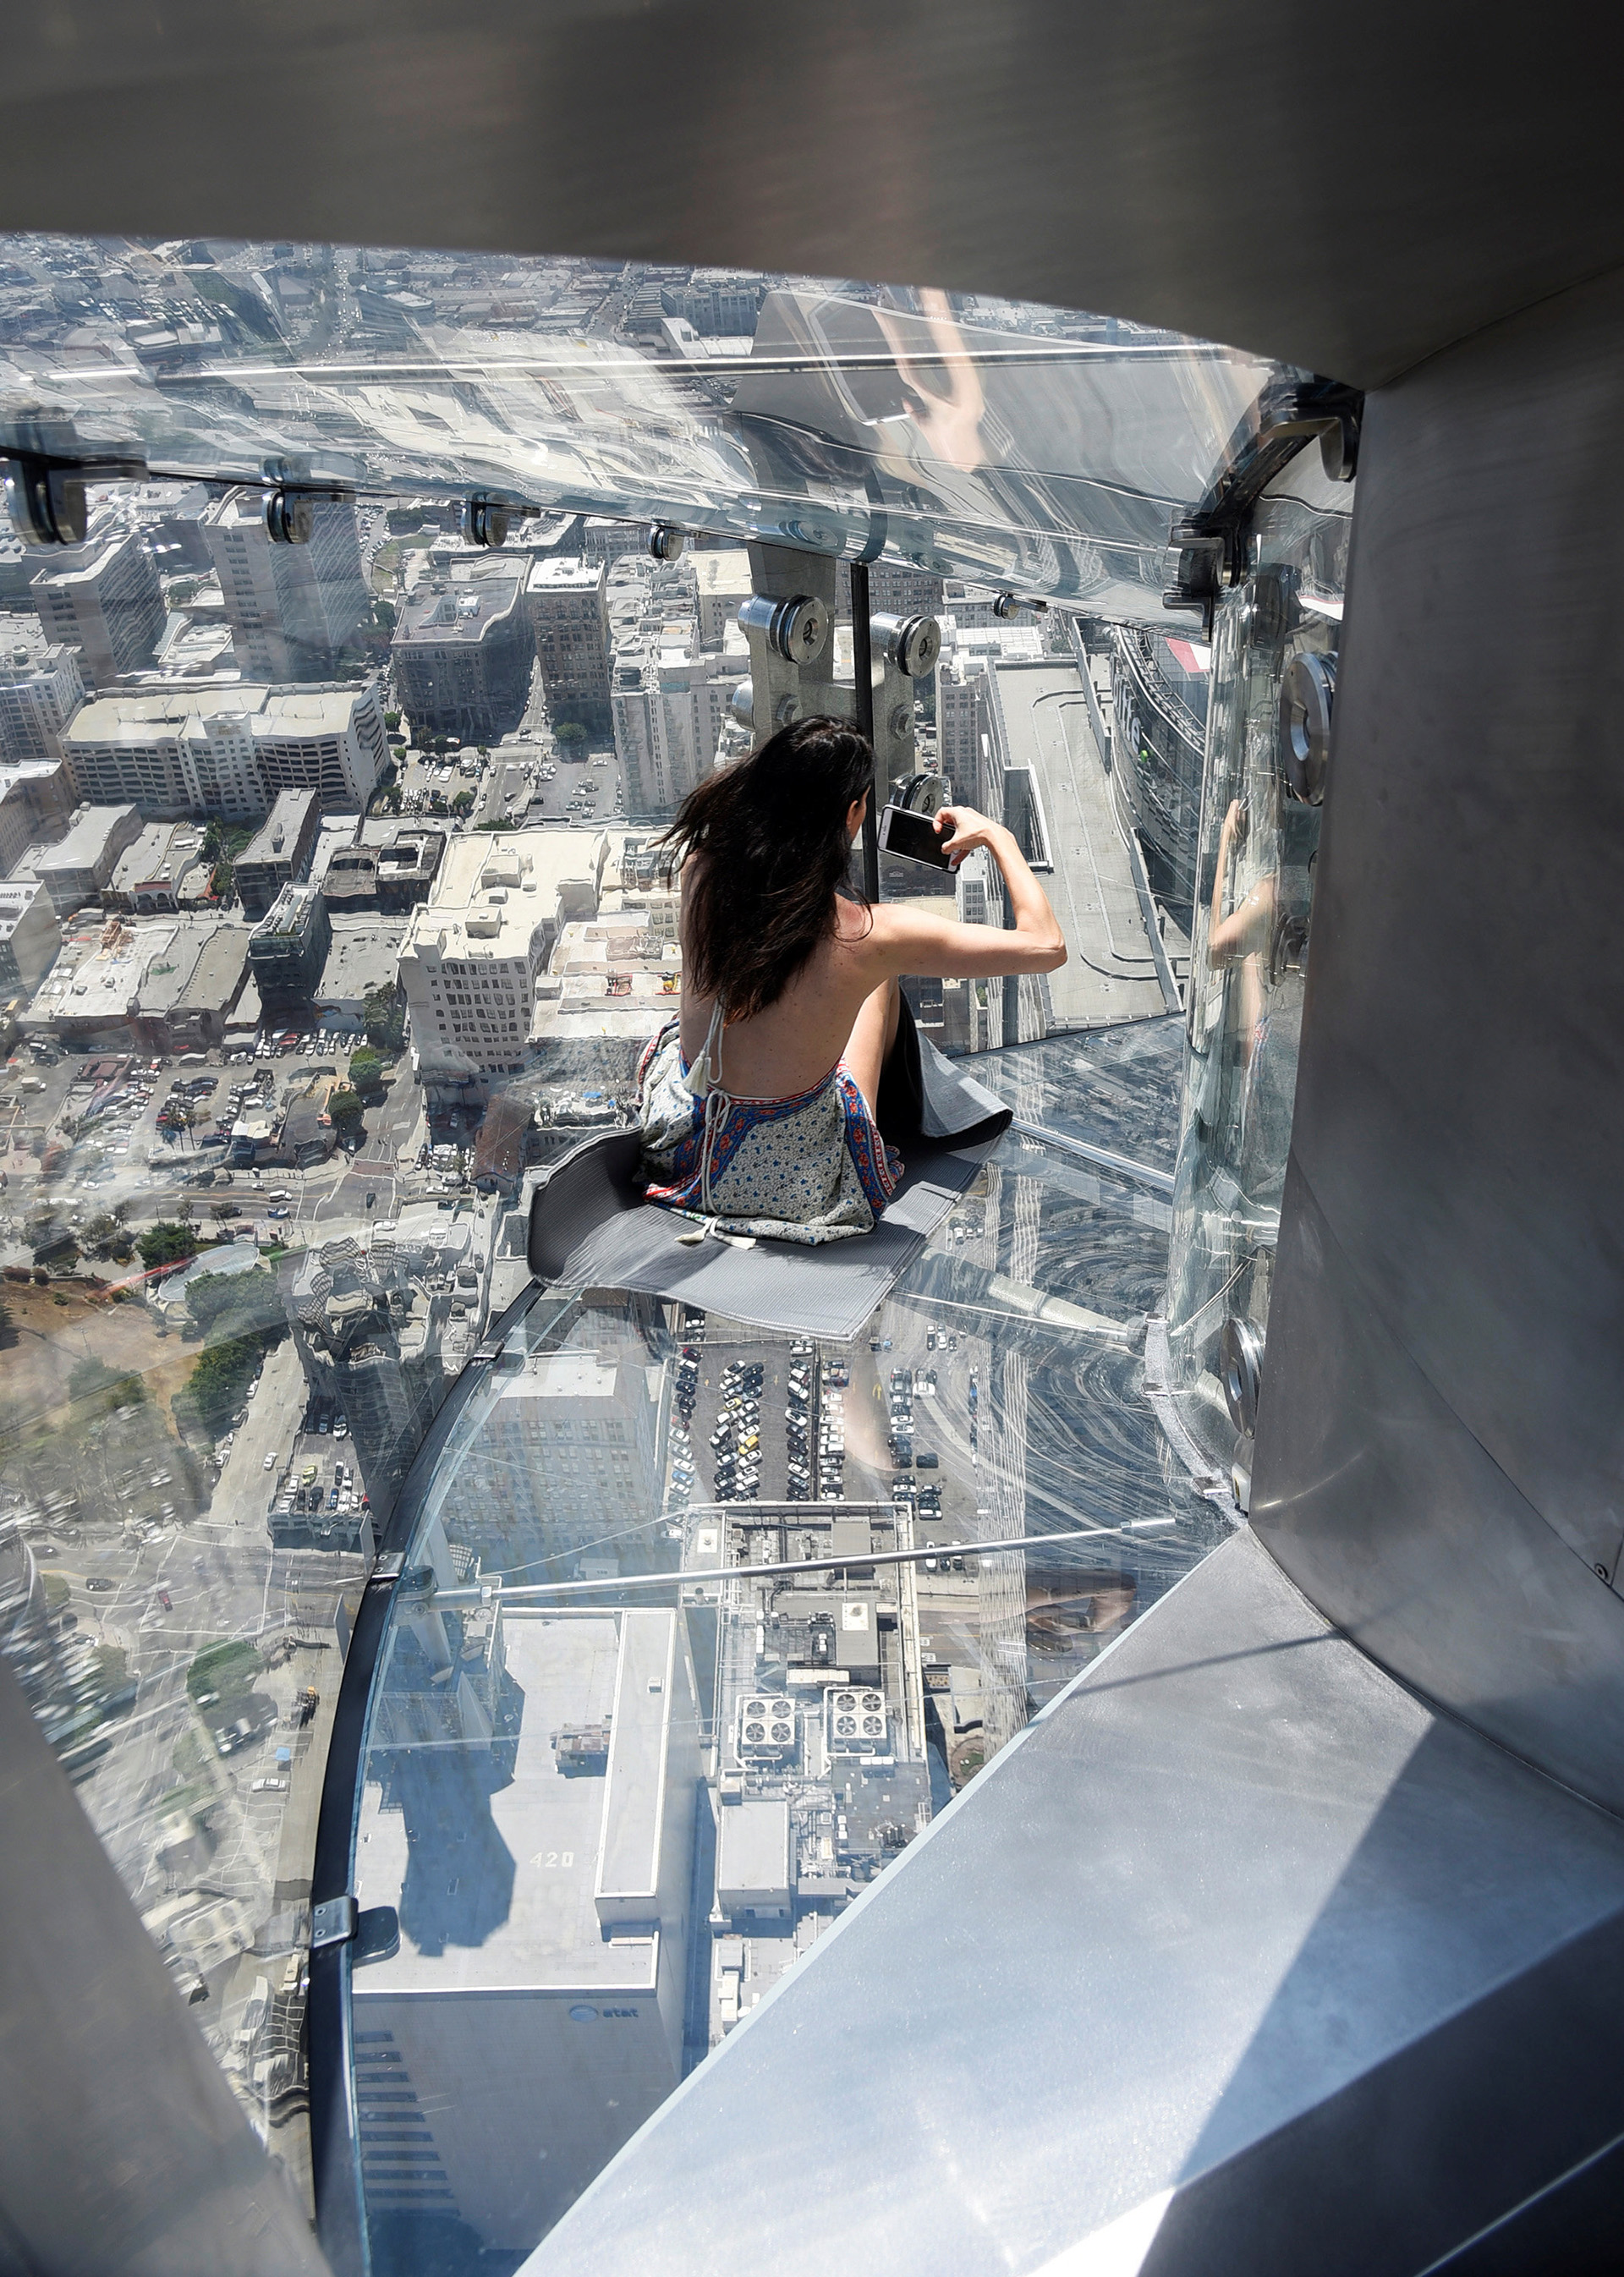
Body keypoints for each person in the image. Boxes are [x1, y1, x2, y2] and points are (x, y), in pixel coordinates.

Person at [636, 714, 1067, 1243]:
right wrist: (998, 836)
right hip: (789, 1185)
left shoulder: (700, 870)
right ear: (853, 812)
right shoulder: (866, 934)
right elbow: (1047, 946)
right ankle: (905, 1135)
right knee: (878, 982)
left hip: (685, 1151)